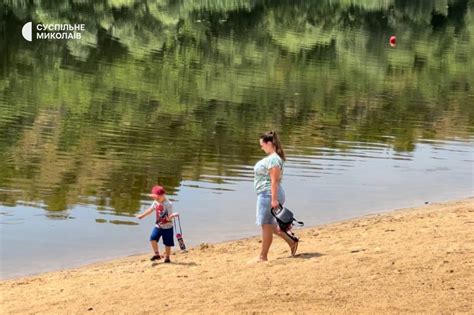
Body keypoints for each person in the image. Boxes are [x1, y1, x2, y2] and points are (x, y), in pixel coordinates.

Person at [254, 130, 298, 261]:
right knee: (270, 225)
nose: (261, 147)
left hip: (269, 194)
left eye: (262, 145)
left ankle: (263, 257)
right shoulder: (273, 158)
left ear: (269, 143)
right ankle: (292, 242)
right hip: (267, 194)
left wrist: (274, 200)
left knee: (266, 225)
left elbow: (274, 180)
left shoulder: (273, 159)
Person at [136, 185, 179, 263]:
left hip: (168, 227)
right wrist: (142, 216)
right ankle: (157, 254)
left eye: (158, 198)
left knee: (167, 243)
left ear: (162, 195)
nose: (156, 200)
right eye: (155, 198)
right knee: (152, 238)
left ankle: (167, 257)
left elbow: (168, 218)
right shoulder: (156, 202)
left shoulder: (168, 204)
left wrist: (172, 216)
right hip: (158, 226)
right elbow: (150, 209)